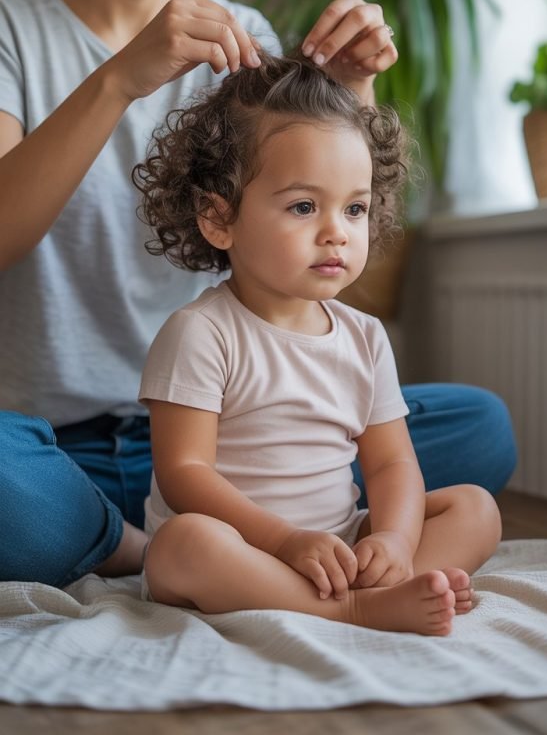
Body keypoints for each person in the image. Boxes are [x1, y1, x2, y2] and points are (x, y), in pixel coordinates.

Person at [0, 0, 515, 590]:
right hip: (64, 444)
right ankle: (130, 544)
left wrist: (353, 93)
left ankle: (204, 541)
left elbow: (320, 228)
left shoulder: (247, 36)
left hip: (238, 437)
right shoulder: (13, 27)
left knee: (478, 426)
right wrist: (120, 78)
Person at [134, 54, 501, 635]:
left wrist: (394, 540)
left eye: (354, 208)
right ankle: (355, 610)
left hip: (337, 544)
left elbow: (391, 462)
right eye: (304, 206)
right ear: (218, 217)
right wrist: (284, 540)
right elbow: (184, 473)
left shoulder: (364, 336)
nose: (337, 230)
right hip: (248, 548)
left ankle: (387, 584)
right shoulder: (201, 332)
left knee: (474, 507)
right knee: (184, 543)